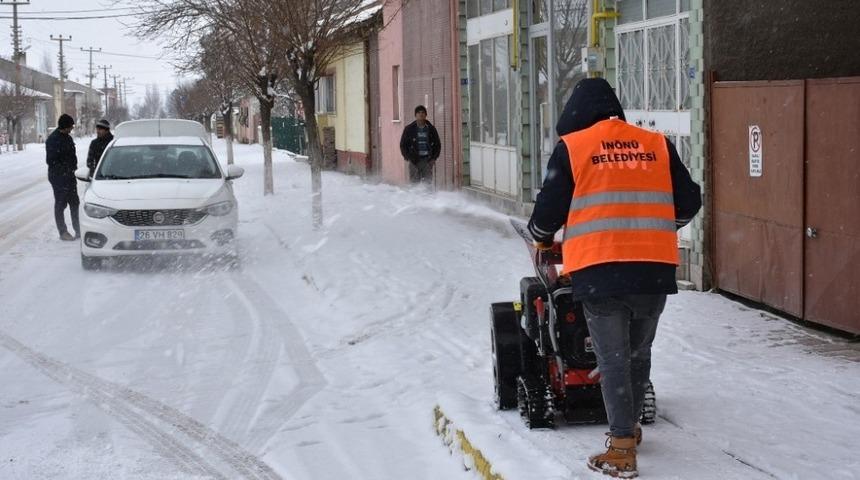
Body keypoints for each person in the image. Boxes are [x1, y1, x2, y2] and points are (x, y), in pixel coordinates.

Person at [527, 78, 701, 479]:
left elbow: (548, 213)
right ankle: (630, 428)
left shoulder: (574, 147)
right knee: (639, 353)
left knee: (612, 359)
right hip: (653, 270)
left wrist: (540, 236)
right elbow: (689, 201)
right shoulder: (656, 144)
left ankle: (621, 448)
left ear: (575, 113)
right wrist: (659, 227)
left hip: (601, 270)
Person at [46, 114, 80, 241]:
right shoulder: (52, 140)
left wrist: (73, 168)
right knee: (60, 204)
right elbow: (51, 161)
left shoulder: (68, 138)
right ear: (65, 126)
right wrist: (65, 169)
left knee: (74, 203)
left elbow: (72, 157)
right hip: (58, 177)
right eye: (70, 126)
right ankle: (63, 232)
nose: (71, 129)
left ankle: (78, 230)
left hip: (70, 176)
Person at [399, 105, 441, 185]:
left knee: (427, 185)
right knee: (414, 185)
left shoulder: (431, 129)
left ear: (426, 115)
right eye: (418, 113)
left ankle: (427, 194)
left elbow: (437, 145)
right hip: (414, 161)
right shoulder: (409, 129)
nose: (421, 114)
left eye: (423, 113)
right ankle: (415, 194)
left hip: (427, 161)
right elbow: (403, 145)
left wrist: (433, 158)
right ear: (415, 115)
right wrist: (408, 157)